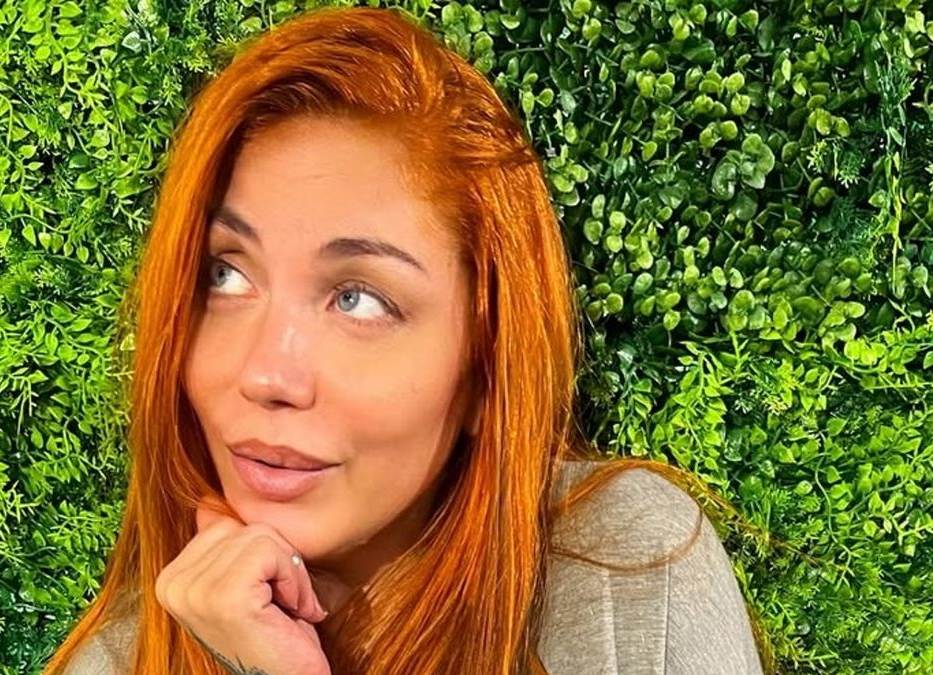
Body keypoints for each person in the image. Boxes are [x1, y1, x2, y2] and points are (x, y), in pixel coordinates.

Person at [43, 5, 772, 674]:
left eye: (358, 299)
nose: (267, 374)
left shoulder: (620, 573)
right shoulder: (122, 660)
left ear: (483, 368)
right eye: (225, 275)